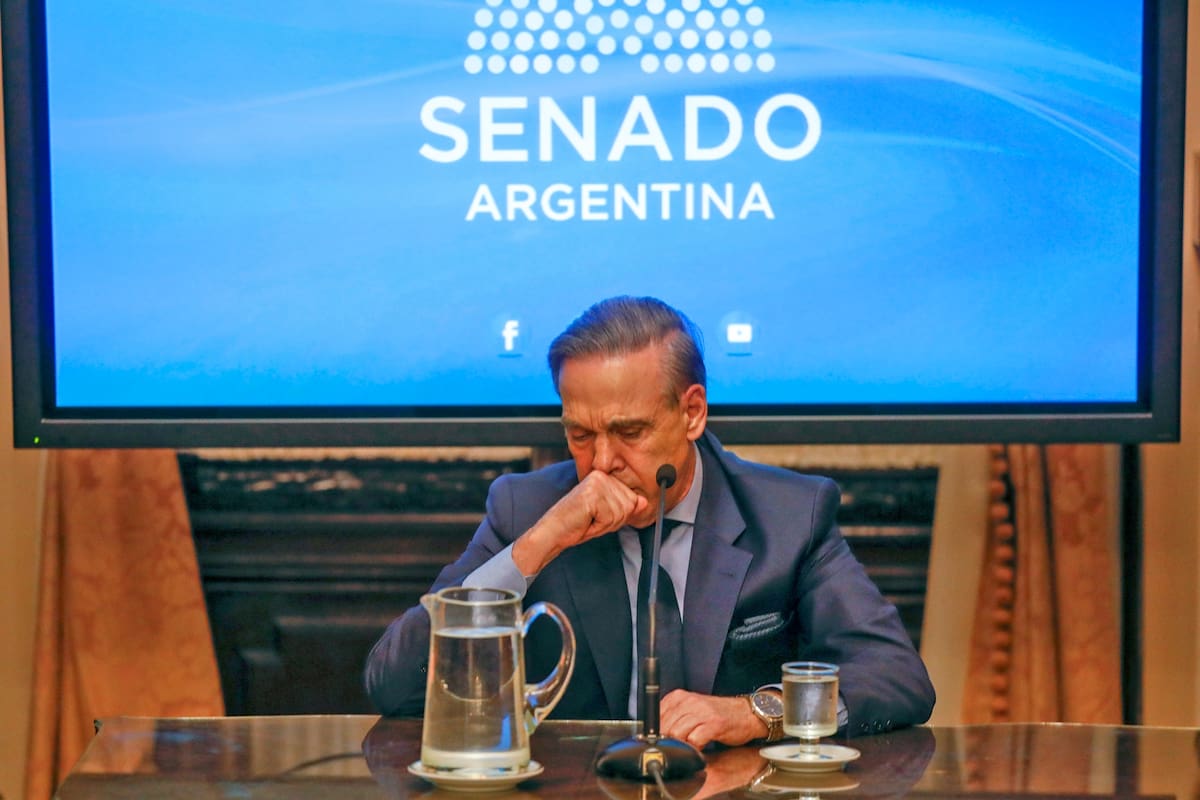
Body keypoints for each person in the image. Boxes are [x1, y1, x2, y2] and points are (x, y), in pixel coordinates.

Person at [364, 296, 935, 748]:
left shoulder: (789, 514)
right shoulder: (525, 507)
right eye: (580, 435)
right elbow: (392, 684)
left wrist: (757, 712)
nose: (603, 462)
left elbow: (896, 677)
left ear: (691, 412)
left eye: (630, 432)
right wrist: (535, 547)